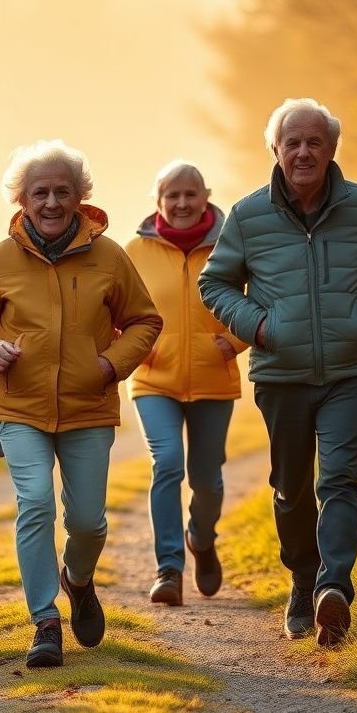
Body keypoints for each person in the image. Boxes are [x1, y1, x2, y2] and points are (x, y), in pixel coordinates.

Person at [198, 98, 357, 646]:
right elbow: (215, 283)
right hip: (281, 374)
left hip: (351, 370)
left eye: (314, 142)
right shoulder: (248, 215)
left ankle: (334, 589)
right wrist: (259, 327)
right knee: (291, 486)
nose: (304, 152)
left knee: (338, 479)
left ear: (332, 149)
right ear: (275, 151)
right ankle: (303, 578)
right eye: (293, 143)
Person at [0, 140, 162, 668]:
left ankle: (79, 580)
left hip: (88, 405)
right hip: (19, 407)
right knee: (36, 505)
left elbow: (145, 321)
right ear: (21, 199)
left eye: (62, 192)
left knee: (88, 522)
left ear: (79, 197)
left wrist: (109, 365)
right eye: (39, 192)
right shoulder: (0, 259)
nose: (51, 202)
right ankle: (45, 621)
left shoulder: (108, 256)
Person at [125, 160, 247, 606]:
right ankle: (169, 569)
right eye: (172, 195)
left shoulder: (232, 245)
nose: (181, 203)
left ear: (205, 197)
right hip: (153, 377)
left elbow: (259, 297)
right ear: (157, 201)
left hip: (214, 375)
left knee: (207, 478)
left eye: (189, 194)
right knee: (168, 463)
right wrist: (135, 346)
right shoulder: (134, 252)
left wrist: (234, 341)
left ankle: (202, 537)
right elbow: (110, 309)